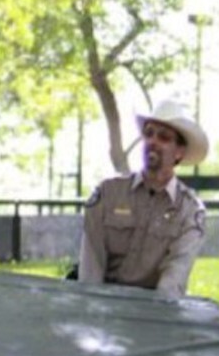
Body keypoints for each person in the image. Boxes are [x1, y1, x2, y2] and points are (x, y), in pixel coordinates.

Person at [78, 99, 208, 298]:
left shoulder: (190, 211)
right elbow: (90, 271)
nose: (152, 141)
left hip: (154, 316)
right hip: (102, 307)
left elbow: (172, 284)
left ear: (179, 153)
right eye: (148, 133)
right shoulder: (107, 194)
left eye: (164, 137)